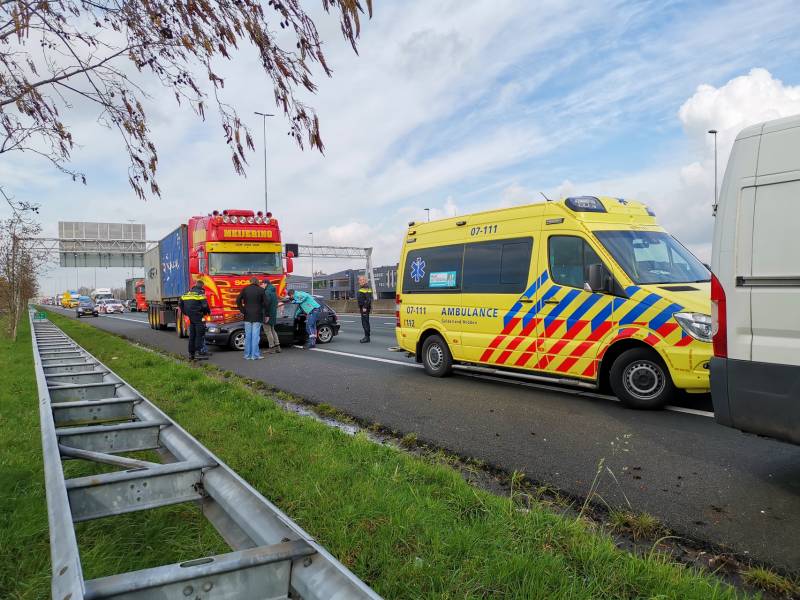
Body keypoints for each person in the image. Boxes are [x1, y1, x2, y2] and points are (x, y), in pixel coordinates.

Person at [236, 276, 268, 360]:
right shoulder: (261, 290)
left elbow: (238, 300)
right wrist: (265, 313)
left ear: (250, 281)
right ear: (257, 282)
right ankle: (255, 355)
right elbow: (266, 303)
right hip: (258, 315)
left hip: (247, 315)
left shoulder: (245, 289)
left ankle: (247, 355)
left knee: (248, 336)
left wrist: (242, 310)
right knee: (255, 336)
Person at [178, 281, 210, 361]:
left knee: (192, 335)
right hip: (198, 316)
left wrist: (185, 312)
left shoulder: (186, 293)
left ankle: (191, 354)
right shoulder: (200, 293)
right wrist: (206, 312)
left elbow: (180, 304)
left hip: (191, 317)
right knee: (199, 335)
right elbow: (205, 305)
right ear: (202, 286)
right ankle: (198, 353)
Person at [260, 278, 281, 353]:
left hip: (267, 315)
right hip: (273, 314)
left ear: (265, 283)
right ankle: (278, 347)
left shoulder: (267, 292)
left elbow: (266, 304)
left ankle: (271, 348)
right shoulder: (273, 292)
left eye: (261, 284)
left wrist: (266, 315)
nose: (261, 285)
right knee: (273, 330)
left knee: (268, 331)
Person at [357, 275, 373, 343]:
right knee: (364, 322)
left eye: (362, 280)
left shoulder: (366, 288)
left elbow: (368, 299)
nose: (361, 281)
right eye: (360, 280)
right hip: (363, 308)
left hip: (364, 308)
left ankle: (367, 337)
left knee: (365, 322)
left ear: (365, 281)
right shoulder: (362, 288)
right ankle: (367, 337)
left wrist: (365, 307)